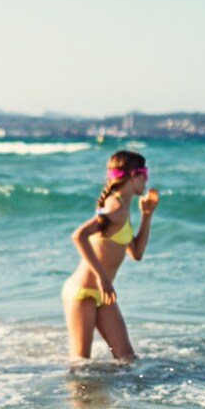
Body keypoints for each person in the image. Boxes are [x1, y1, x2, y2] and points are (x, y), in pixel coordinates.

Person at [63, 150, 159, 362]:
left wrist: (146, 215)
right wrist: (102, 278)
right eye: (144, 173)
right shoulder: (116, 210)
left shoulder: (122, 208)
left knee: (127, 360)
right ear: (132, 175)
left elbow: (136, 253)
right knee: (81, 365)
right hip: (84, 292)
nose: (146, 179)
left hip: (103, 294)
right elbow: (79, 236)